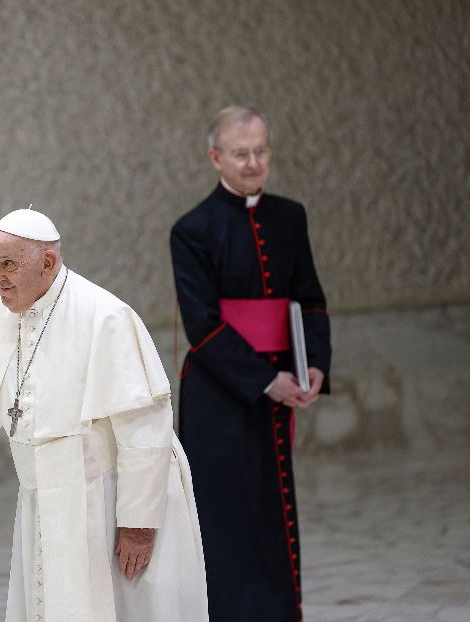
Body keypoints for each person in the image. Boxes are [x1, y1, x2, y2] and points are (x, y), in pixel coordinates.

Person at [0, 208, 209, 622]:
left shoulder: (104, 316)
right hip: (43, 502)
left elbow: (144, 428)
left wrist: (138, 525)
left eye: (9, 264)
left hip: (109, 500)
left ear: (48, 263)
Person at [169, 106, 332, 622]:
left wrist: (315, 366)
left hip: (282, 380)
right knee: (223, 516)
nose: (254, 162)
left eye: (261, 151)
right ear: (217, 157)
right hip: (221, 392)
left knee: (272, 508)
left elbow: (309, 299)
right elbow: (204, 326)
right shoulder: (192, 229)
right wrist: (266, 380)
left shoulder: (290, 216)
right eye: (241, 153)